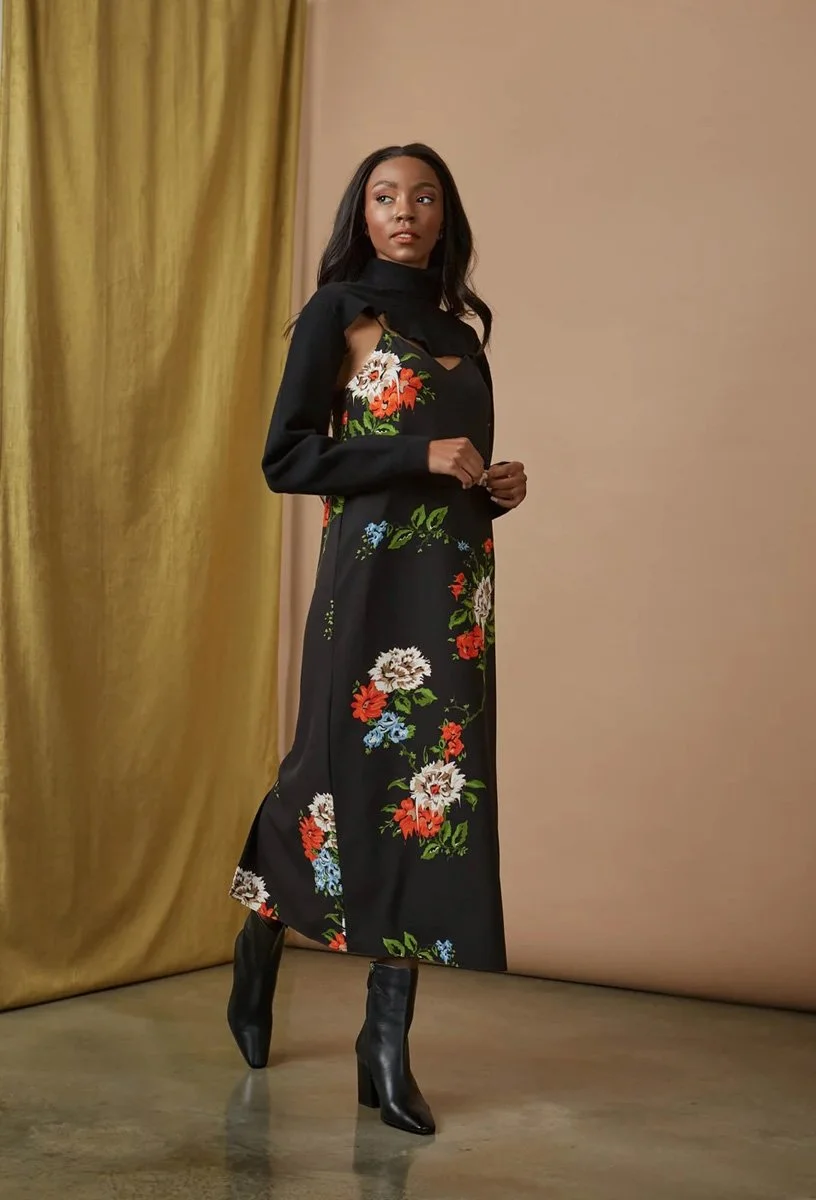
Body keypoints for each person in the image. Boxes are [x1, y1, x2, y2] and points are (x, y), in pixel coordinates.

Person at [227, 143, 528, 1135]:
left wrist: (496, 486)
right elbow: (287, 457)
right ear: (362, 214)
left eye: (423, 196)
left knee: (429, 794)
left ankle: (383, 1042)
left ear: (445, 217)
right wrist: (417, 453)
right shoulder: (338, 313)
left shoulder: (461, 331)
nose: (404, 211)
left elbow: (454, 464)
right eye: (385, 195)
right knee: (328, 773)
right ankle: (263, 932)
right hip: (365, 581)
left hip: (452, 591)